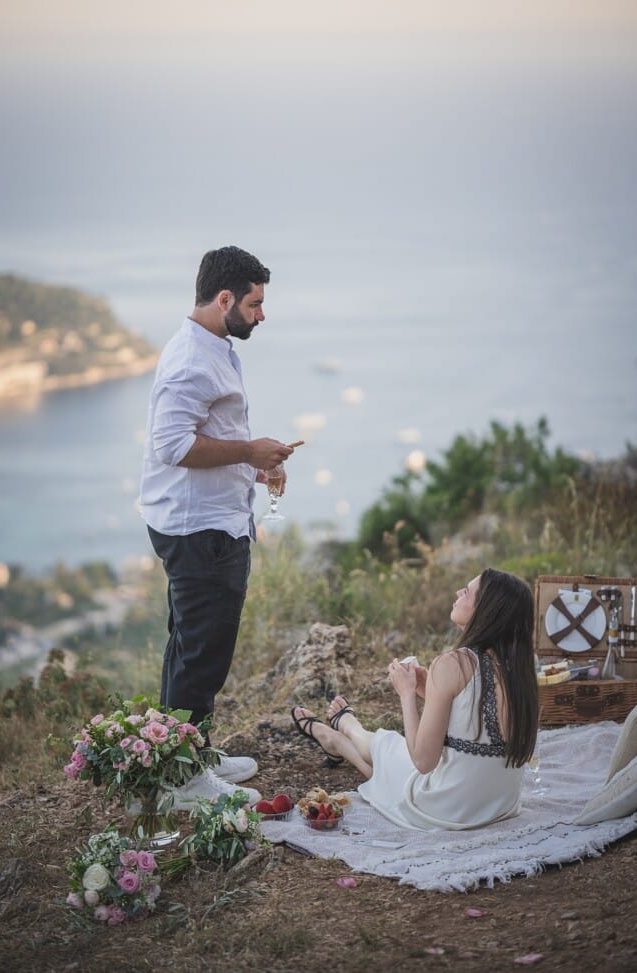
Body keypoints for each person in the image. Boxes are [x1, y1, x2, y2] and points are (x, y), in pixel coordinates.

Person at [138, 245, 291, 800]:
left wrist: (254, 470)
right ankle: (180, 780)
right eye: (254, 304)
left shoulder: (215, 347)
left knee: (189, 647)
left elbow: (207, 437)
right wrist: (252, 450)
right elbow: (173, 446)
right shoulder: (190, 362)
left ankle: (186, 751)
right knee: (202, 654)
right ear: (224, 298)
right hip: (199, 532)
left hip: (207, 519)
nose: (261, 314)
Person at [291, 568, 539, 830]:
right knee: (393, 755)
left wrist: (407, 694)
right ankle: (343, 734)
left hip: (448, 809)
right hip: (499, 805)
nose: (458, 592)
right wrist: (430, 691)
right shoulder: (523, 669)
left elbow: (423, 761)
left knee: (388, 745)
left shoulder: (453, 663)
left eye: (466, 591)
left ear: (487, 609)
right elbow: (473, 720)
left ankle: (343, 734)